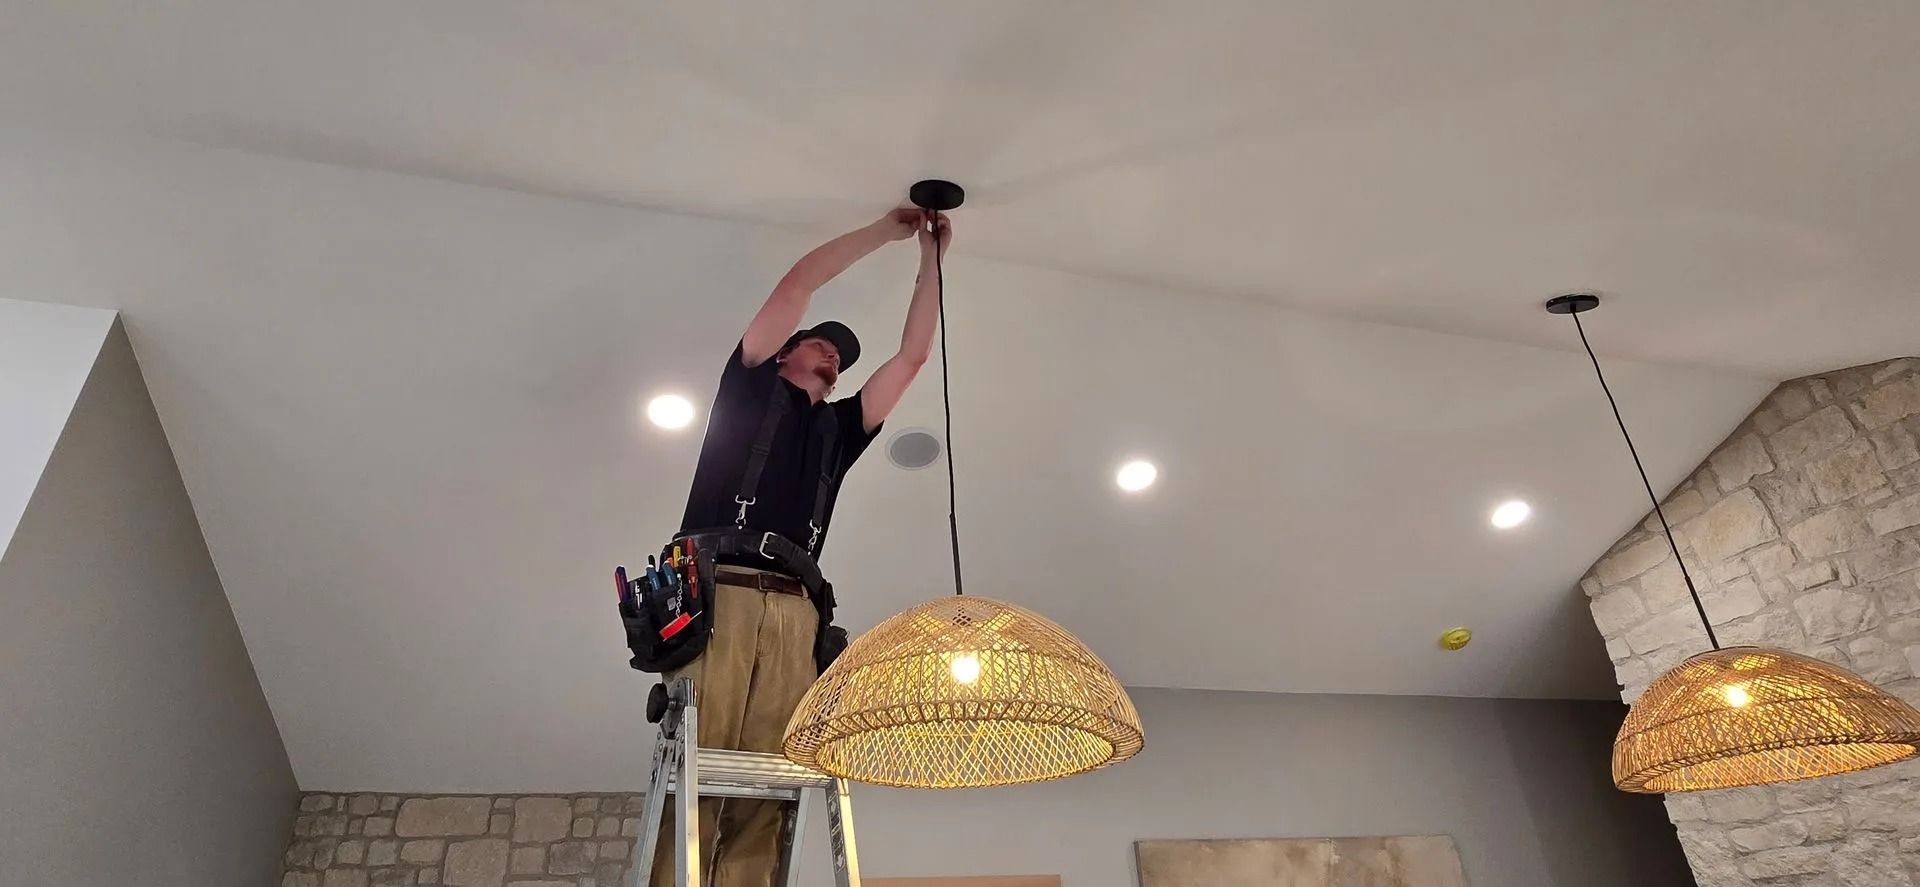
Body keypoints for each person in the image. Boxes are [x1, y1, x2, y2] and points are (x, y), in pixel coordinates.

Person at [651, 205, 950, 887]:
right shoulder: (748, 387)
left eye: (841, 357)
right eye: (822, 344)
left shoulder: (841, 430)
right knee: (702, 765)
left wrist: (932, 261)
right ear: (785, 350)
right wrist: (886, 231)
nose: (834, 357)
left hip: (796, 609)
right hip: (717, 591)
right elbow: (798, 284)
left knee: (771, 777)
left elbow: (913, 356)